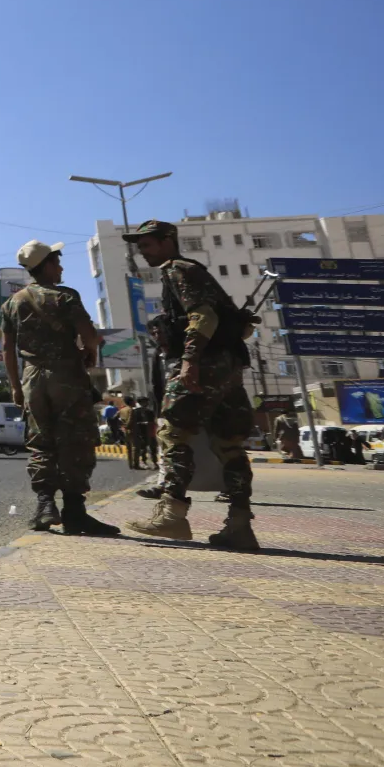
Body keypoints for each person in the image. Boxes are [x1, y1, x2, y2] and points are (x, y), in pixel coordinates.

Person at [122, 220, 259, 551]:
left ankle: (172, 513)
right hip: (228, 367)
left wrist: (189, 360)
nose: (142, 251)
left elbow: (204, 318)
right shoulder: (196, 271)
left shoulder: (177, 269)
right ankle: (239, 524)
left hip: (205, 364)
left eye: (148, 244)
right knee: (229, 444)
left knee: (172, 431)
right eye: (139, 246)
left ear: (168, 241)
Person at [1, 240, 118, 536]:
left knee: (41, 442)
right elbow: (89, 335)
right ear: (48, 265)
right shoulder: (65, 296)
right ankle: (75, 512)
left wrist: (16, 387)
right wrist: (90, 351)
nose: (61, 268)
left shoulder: (12, 303)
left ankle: (44, 506)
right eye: (58, 262)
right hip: (66, 375)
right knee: (74, 440)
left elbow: (7, 349)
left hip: (32, 379)